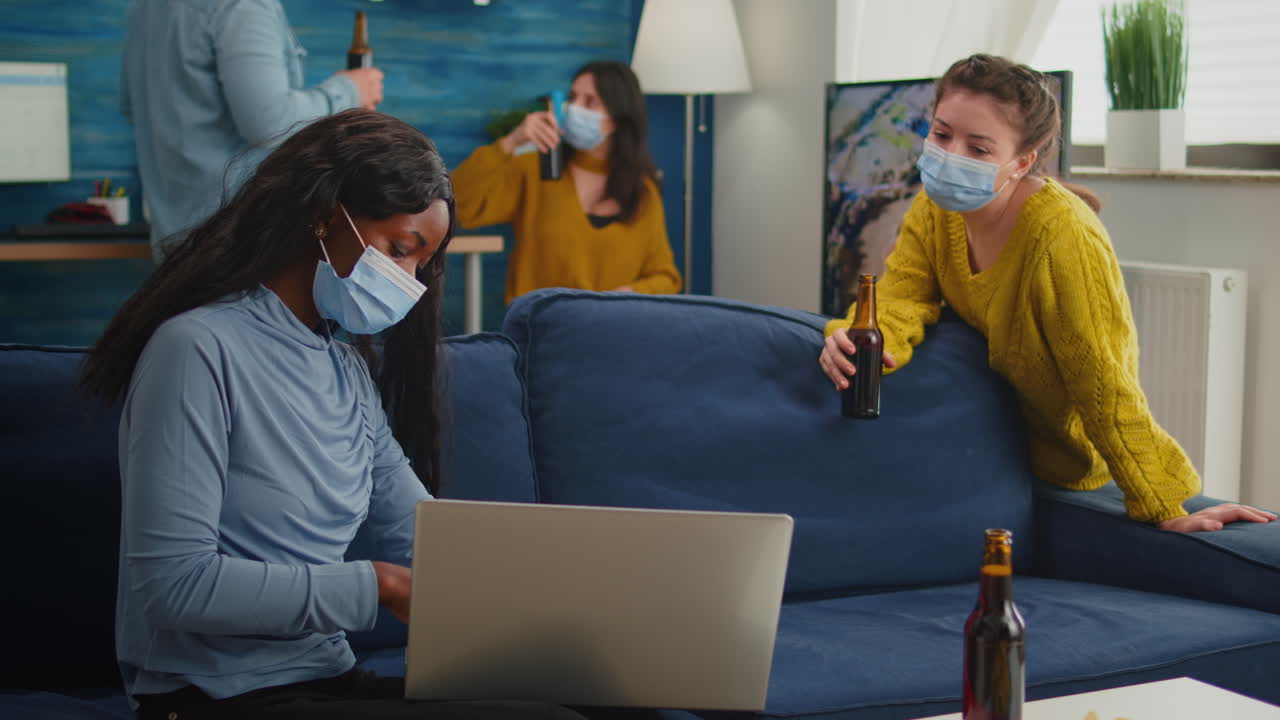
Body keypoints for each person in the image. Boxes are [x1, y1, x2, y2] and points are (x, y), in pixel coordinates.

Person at [80, 109, 581, 720]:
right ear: (322, 216)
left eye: (423, 263)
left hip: (324, 679)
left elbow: (425, 536)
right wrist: (380, 585)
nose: (410, 281)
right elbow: (173, 587)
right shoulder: (196, 349)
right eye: (400, 250)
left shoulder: (347, 372)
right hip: (212, 698)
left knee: (609, 701)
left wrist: (565, 595)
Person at [818, 54, 1277, 534]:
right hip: (991, 442)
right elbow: (901, 293)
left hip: (1064, 466)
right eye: (941, 134)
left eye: (978, 149)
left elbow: (1103, 381)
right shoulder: (932, 209)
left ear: (1021, 162)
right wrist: (858, 338)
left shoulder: (1062, 238)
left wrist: (1166, 506)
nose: (951, 155)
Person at [121, 0, 385, 260]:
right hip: (236, 252)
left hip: (173, 248)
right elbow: (269, 121)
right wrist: (349, 91)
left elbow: (130, 106)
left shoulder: (143, 7)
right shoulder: (242, 6)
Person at [451, 60, 682, 303]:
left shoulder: (642, 192)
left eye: (590, 101)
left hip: (614, 330)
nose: (574, 108)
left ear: (617, 118)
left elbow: (666, 277)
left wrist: (633, 293)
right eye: (573, 97)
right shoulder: (534, 169)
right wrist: (510, 143)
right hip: (538, 331)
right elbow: (459, 206)